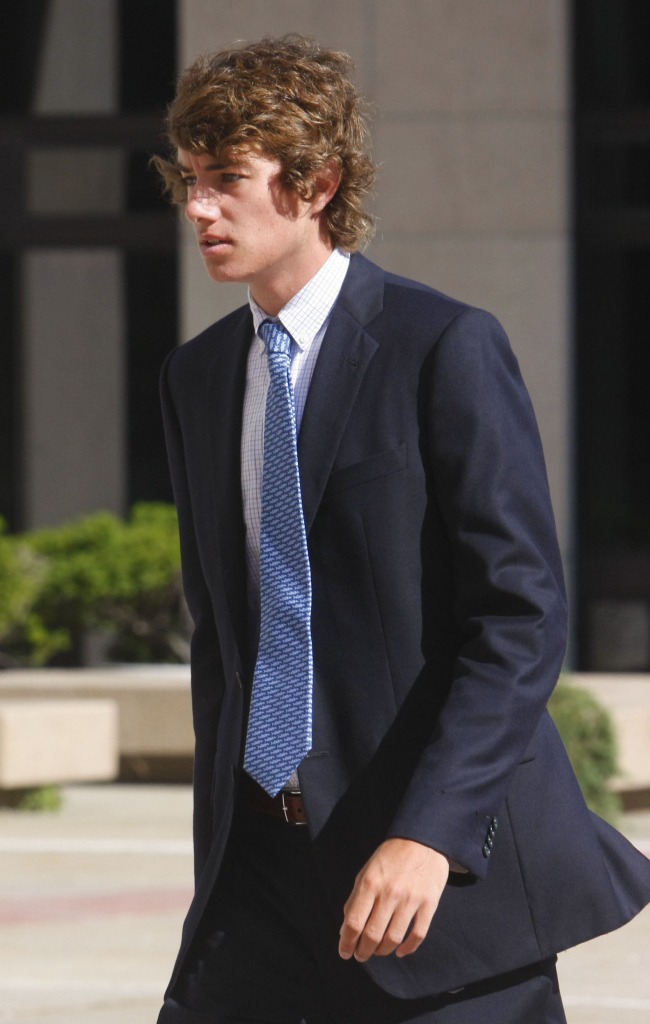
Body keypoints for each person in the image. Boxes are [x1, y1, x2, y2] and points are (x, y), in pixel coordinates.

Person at [154, 35, 650, 1024]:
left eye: (228, 182)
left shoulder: (442, 347)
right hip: (256, 882)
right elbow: (228, 635)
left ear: (316, 181)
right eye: (191, 181)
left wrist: (429, 833)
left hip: (429, 887)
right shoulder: (198, 378)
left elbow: (516, 621)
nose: (199, 209)